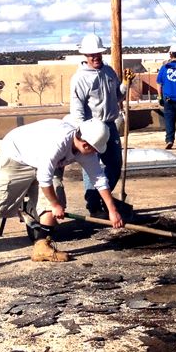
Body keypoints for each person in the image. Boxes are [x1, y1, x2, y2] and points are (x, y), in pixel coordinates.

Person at [0, 118, 124, 274]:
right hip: (17, 155)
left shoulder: (86, 149)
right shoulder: (58, 143)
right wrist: (54, 205)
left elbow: (99, 178)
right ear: (85, 144)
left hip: (44, 160)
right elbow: (44, 178)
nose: (95, 153)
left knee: (56, 196)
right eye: (95, 150)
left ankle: (42, 246)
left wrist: (112, 210)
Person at [69, 33, 125, 216]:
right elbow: (76, 108)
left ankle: (102, 197)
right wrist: (82, 131)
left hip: (110, 125)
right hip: (91, 128)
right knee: (91, 165)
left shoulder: (109, 72)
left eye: (98, 53)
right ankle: (93, 204)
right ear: (85, 56)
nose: (95, 57)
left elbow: (118, 95)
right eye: (91, 54)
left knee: (115, 164)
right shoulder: (80, 79)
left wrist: (126, 84)